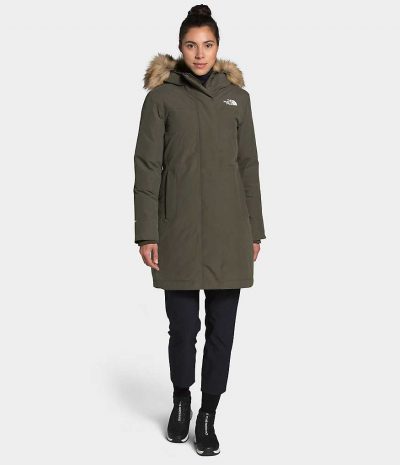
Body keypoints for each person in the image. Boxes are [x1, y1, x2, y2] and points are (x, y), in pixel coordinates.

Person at [133, 4, 266, 456]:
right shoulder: (161, 100)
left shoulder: (237, 99)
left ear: (218, 47)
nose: (200, 53)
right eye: (191, 45)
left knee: (222, 331)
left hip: (230, 231)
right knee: (183, 328)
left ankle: (208, 412)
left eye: (207, 45)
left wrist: (255, 230)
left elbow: (248, 166)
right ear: (180, 48)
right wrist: (147, 233)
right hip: (179, 233)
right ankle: (181, 400)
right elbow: (147, 168)